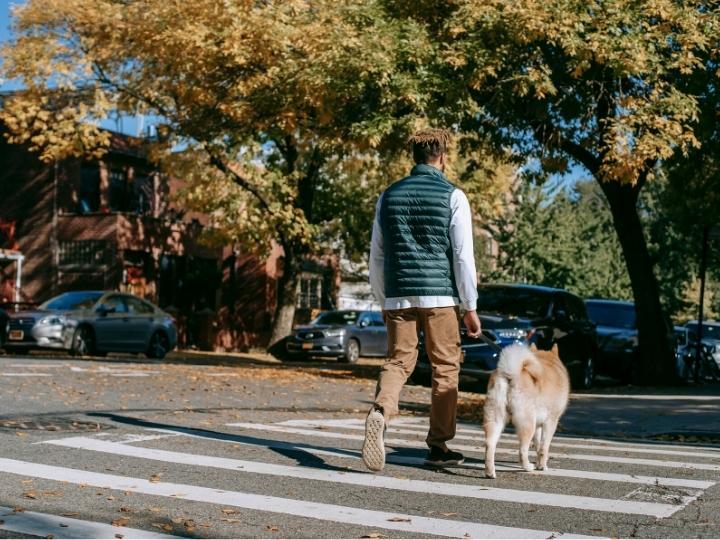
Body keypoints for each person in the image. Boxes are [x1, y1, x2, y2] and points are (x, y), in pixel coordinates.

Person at [363, 128, 482, 472]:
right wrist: (470, 307)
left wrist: (383, 299)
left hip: (399, 295)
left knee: (398, 362)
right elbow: (462, 256)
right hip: (440, 297)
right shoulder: (453, 196)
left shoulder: (388, 195)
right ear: (442, 157)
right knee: (444, 367)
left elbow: (377, 255)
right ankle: (438, 445)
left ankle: (381, 411)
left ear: (413, 157)